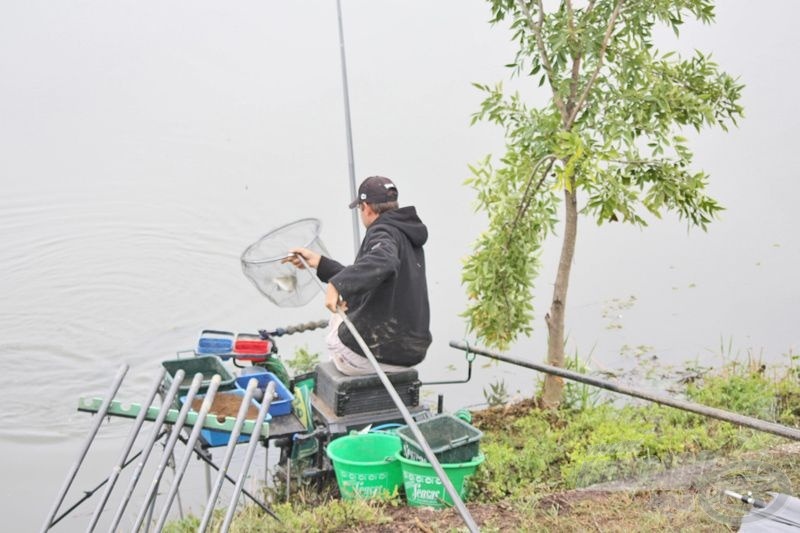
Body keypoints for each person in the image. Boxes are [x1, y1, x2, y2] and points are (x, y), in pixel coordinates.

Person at [284, 176, 431, 376]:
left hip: (381, 353)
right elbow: (372, 275)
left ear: (366, 207)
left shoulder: (382, 231)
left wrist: (336, 285)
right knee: (351, 302)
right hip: (412, 351)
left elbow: (382, 262)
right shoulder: (404, 233)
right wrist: (320, 263)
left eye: (360, 209)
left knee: (338, 315)